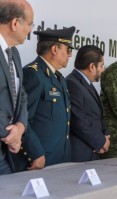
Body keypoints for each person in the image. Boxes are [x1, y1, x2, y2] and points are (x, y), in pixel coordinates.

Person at [12, 26, 76, 171]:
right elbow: (22, 119)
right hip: (40, 159)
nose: (70, 55)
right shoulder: (33, 74)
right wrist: (35, 154)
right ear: (54, 49)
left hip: (61, 157)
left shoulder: (59, 78)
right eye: (68, 49)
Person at [0, 0, 33, 174]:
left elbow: (21, 96)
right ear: (14, 23)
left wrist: (20, 127)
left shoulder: (15, 53)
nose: (30, 30)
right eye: (29, 24)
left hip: (7, 152)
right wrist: (10, 136)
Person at [66, 45, 110, 162]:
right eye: (101, 66)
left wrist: (105, 135)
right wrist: (100, 141)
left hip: (92, 148)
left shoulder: (86, 83)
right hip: (81, 151)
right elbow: (79, 120)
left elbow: (97, 115)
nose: (102, 69)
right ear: (91, 66)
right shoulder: (72, 83)